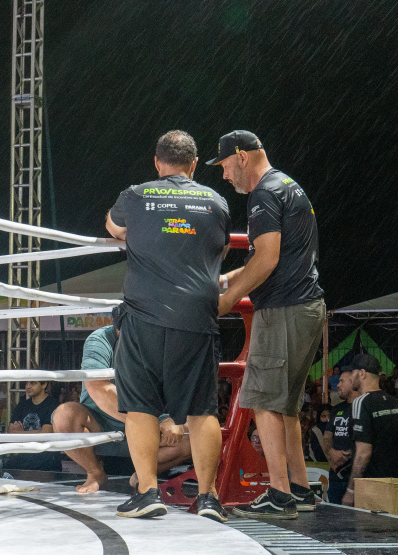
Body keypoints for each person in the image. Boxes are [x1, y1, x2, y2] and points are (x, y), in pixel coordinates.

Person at [106, 130, 231, 521]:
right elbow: (220, 247)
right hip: (196, 317)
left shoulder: (136, 194)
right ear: (194, 165)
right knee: (201, 409)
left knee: (141, 406)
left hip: (144, 315)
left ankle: (147, 493)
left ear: (157, 163)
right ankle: (209, 498)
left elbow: (113, 228)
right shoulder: (216, 201)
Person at [212, 130, 325, 519]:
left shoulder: (263, 194)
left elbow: (268, 260)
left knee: (261, 400)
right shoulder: (288, 185)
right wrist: (228, 278)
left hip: (283, 310)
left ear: (241, 156)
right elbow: (273, 254)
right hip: (307, 306)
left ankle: (279, 496)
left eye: (225, 165)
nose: (225, 175)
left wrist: (226, 300)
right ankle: (300, 489)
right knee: (286, 407)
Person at [50, 324, 191, 493]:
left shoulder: (156, 340)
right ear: (119, 326)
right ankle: (95, 473)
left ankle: (143, 475)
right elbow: (98, 388)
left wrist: (173, 418)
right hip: (100, 420)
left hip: (147, 422)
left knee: (192, 433)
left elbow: (177, 384)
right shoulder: (100, 340)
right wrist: (145, 420)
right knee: (64, 416)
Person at [342, 354, 398, 507]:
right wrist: (387, 452)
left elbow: (363, 453)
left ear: (362, 373)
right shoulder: (395, 402)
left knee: (367, 530)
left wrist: (351, 491)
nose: (350, 378)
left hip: (370, 487)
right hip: (395, 483)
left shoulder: (360, 402)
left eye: (352, 373)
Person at [2, 381, 61, 471]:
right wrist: (38, 432)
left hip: (46, 464)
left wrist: (21, 433)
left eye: (33, 383)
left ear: (44, 385)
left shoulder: (53, 405)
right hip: (22, 462)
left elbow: (45, 435)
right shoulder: (22, 405)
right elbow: (11, 433)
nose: (28, 386)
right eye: (26, 383)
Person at [324, 366, 358, 501]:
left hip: (356, 478)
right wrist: (331, 452)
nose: (338, 385)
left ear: (352, 382)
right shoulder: (336, 409)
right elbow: (327, 436)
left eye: (342, 381)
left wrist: (348, 454)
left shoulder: (364, 407)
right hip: (335, 476)